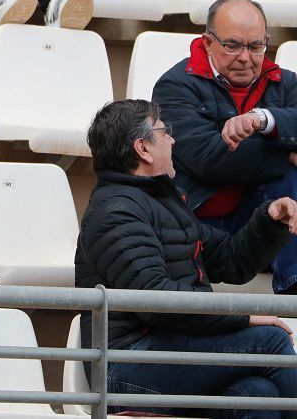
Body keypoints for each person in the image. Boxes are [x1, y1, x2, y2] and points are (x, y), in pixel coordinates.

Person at [77, 99, 297, 418]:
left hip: (169, 349)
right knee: (270, 342)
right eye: (164, 131)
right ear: (143, 148)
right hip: (125, 367)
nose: (172, 139)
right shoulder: (115, 211)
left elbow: (231, 260)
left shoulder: (161, 202)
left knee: (257, 394)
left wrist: (270, 220)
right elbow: (156, 300)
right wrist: (245, 319)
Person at [153, 0, 297, 295]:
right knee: (287, 172)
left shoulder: (285, 83)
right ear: (208, 42)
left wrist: (263, 119)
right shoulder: (175, 86)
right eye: (232, 45)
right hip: (202, 227)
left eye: (256, 46)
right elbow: (209, 160)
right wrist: (285, 149)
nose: (245, 57)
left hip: (263, 220)